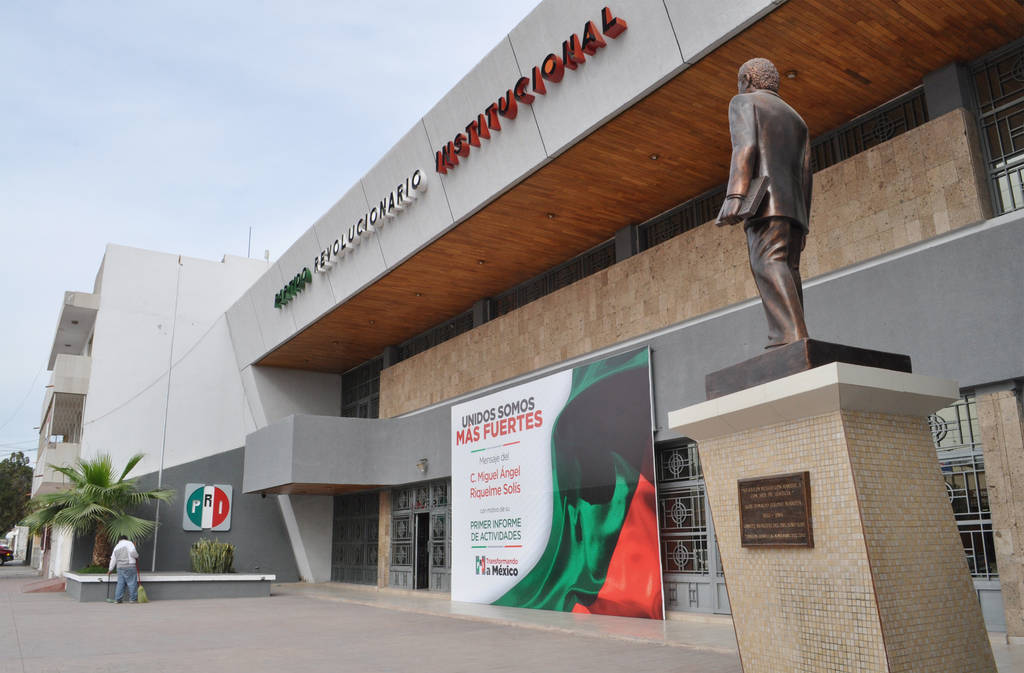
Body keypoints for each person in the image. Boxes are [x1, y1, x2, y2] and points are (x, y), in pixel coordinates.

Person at [716, 57, 813, 348]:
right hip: (794, 208)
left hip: (765, 203)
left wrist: (735, 196)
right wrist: (804, 221)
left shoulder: (744, 102)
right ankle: (794, 336)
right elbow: (806, 173)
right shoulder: (797, 119)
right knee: (788, 270)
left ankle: (790, 336)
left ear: (746, 80)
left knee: (767, 263)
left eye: (739, 82)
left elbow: (744, 148)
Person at [107, 535, 139, 603]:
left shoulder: (116, 547)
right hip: (129, 566)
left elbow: (113, 559)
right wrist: (137, 556)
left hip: (120, 567)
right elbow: (133, 553)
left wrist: (110, 569)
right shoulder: (129, 543)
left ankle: (118, 599)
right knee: (132, 583)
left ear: (119, 540)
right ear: (126, 539)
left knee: (120, 583)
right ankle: (133, 599)